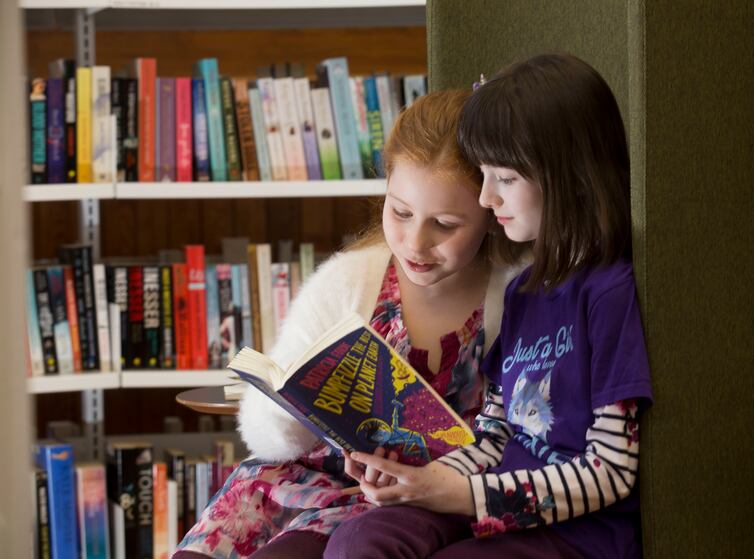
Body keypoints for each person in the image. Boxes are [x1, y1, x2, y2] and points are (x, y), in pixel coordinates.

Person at [326, 53, 654, 559]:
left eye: (504, 178)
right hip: (492, 510)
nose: (484, 198)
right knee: (359, 540)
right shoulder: (522, 294)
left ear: (568, 176)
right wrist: (417, 481)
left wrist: (460, 495)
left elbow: (612, 471)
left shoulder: (606, 294)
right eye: (484, 175)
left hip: (574, 534)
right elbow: (496, 435)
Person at [173, 88, 525, 559]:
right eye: (400, 212)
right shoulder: (351, 280)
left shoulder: (513, 296)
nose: (416, 243)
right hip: (304, 479)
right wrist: (288, 408)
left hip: (412, 502)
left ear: (490, 213)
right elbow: (271, 434)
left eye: (444, 224)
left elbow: (521, 442)